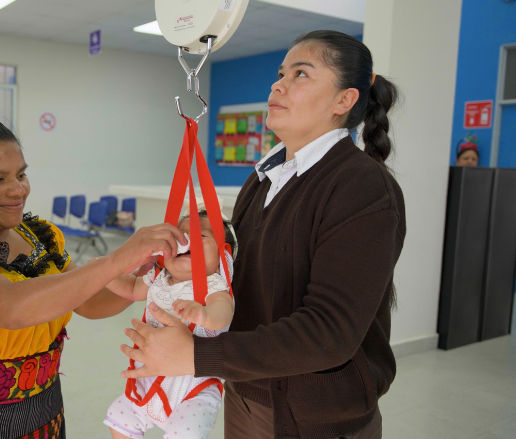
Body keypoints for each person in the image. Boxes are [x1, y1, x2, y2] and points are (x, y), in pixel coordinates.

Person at [119, 30, 406, 439]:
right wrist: (182, 271)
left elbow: (330, 332)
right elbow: (246, 278)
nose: (278, 84)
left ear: (344, 100)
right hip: (246, 390)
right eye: (280, 73)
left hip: (315, 414)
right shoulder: (265, 177)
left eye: (301, 74)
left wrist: (198, 355)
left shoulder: (360, 186)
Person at [0, 104, 185, 439]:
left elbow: (87, 302)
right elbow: (12, 307)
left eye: (21, 175)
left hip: (43, 415)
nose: (17, 190)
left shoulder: (36, 236)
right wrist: (116, 260)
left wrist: (146, 280)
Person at [102, 211, 237, 439]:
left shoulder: (214, 286)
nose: (186, 241)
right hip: (150, 381)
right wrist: (104, 271)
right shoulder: (158, 278)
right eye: (180, 236)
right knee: (119, 415)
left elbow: (224, 312)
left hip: (194, 389)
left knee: (186, 433)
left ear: (223, 257)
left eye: (201, 236)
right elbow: (131, 288)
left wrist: (204, 314)